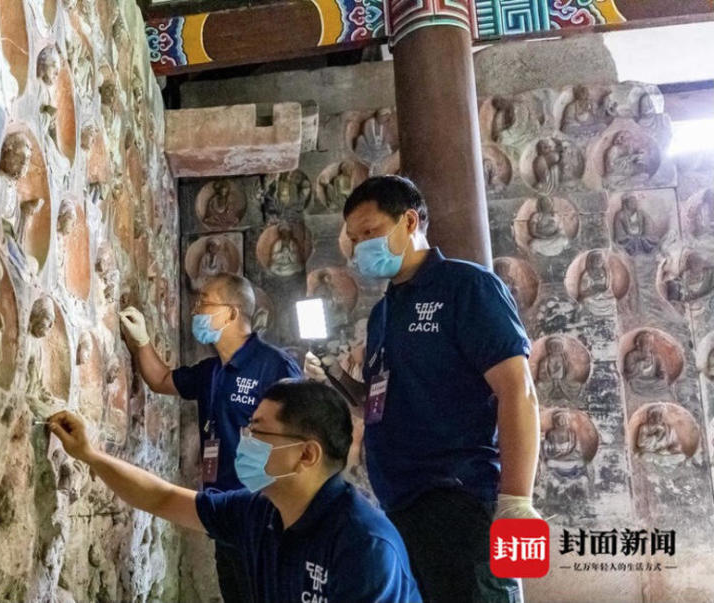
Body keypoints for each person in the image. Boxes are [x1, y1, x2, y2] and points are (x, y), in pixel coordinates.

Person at [305, 175, 540, 602]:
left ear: (409, 221)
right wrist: (335, 380)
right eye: (354, 239)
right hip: (399, 505)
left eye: (370, 232)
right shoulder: (382, 313)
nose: (359, 248)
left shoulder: (466, 286)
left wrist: (515, 501)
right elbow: (377, 405)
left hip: (460, 499)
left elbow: (517, 389)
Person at [45, 380, 421, 603]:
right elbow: (161, 498)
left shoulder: (364, 545)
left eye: (259, 431)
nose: (246, 441)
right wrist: (89, 455)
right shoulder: (259, 511)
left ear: (306, 454)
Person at [118, 273, 301, 602]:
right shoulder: (210, 371)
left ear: (231, 313)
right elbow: (161, 379)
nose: (196, 309)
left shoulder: (275, 366)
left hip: (263, 515)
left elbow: (301, 438)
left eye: (204, 302)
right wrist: (141, 341)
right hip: (221, 509)